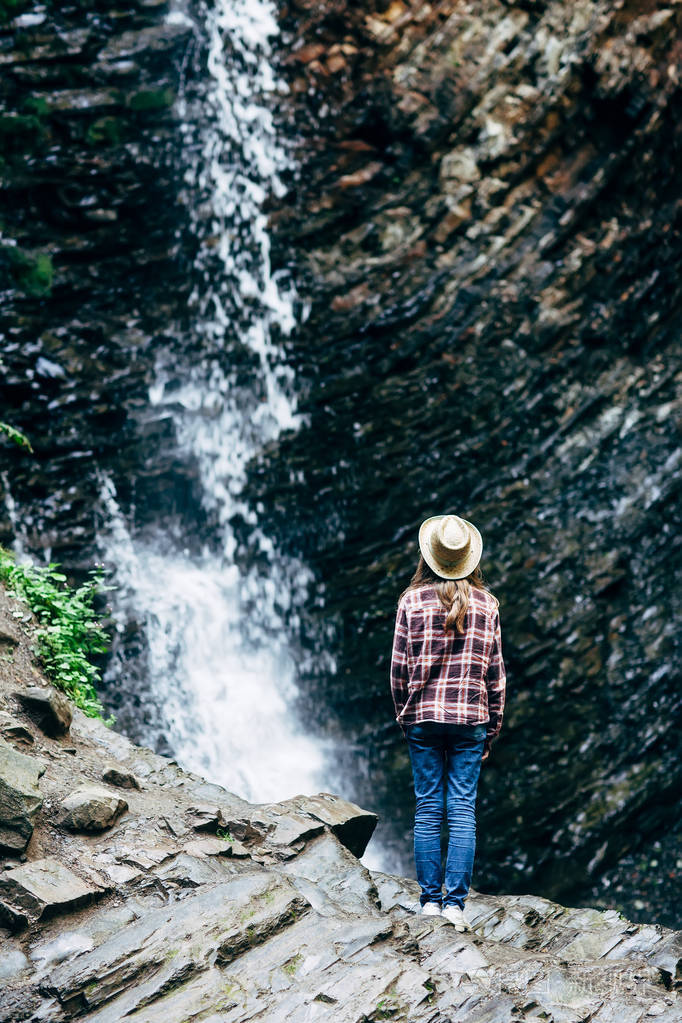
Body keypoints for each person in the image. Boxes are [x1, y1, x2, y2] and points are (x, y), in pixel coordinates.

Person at [390, 513, 506, 931]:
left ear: (429, 556)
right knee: (461, 811)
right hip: (470, 720)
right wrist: (490, 730)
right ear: (469, 559)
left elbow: (398, 670)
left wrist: (406, 717)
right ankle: (456, 906)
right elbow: (496, 676)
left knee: (426, 810)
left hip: (422, 717)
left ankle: (429, 903)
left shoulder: (410, 601)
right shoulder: (488, 605)